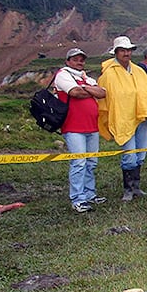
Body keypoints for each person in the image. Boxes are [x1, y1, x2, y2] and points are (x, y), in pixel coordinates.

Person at [97, 36, 147, 202]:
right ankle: (127, 189)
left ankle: (136, 187)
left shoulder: (138, 71)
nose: (126, 53)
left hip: (140, 118)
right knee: (129, 155)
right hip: (123, 119)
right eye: (122, 50)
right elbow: (108, 97)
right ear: (116, 52)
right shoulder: (109, 74)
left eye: (128, 50)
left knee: (140, 152)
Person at [54, 47, 107, 213]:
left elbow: (102, 93)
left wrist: (87, 89)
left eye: (82, 59)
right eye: (75, 59)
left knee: (91, 162)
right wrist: (89, 91)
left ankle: (90, 194)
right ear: (68, 61)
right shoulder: (63, 74)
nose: (79, 62)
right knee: (79, 162)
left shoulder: (85, 77)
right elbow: (75, 92)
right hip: (73, 126)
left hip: (92, 125)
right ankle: (77, 198)